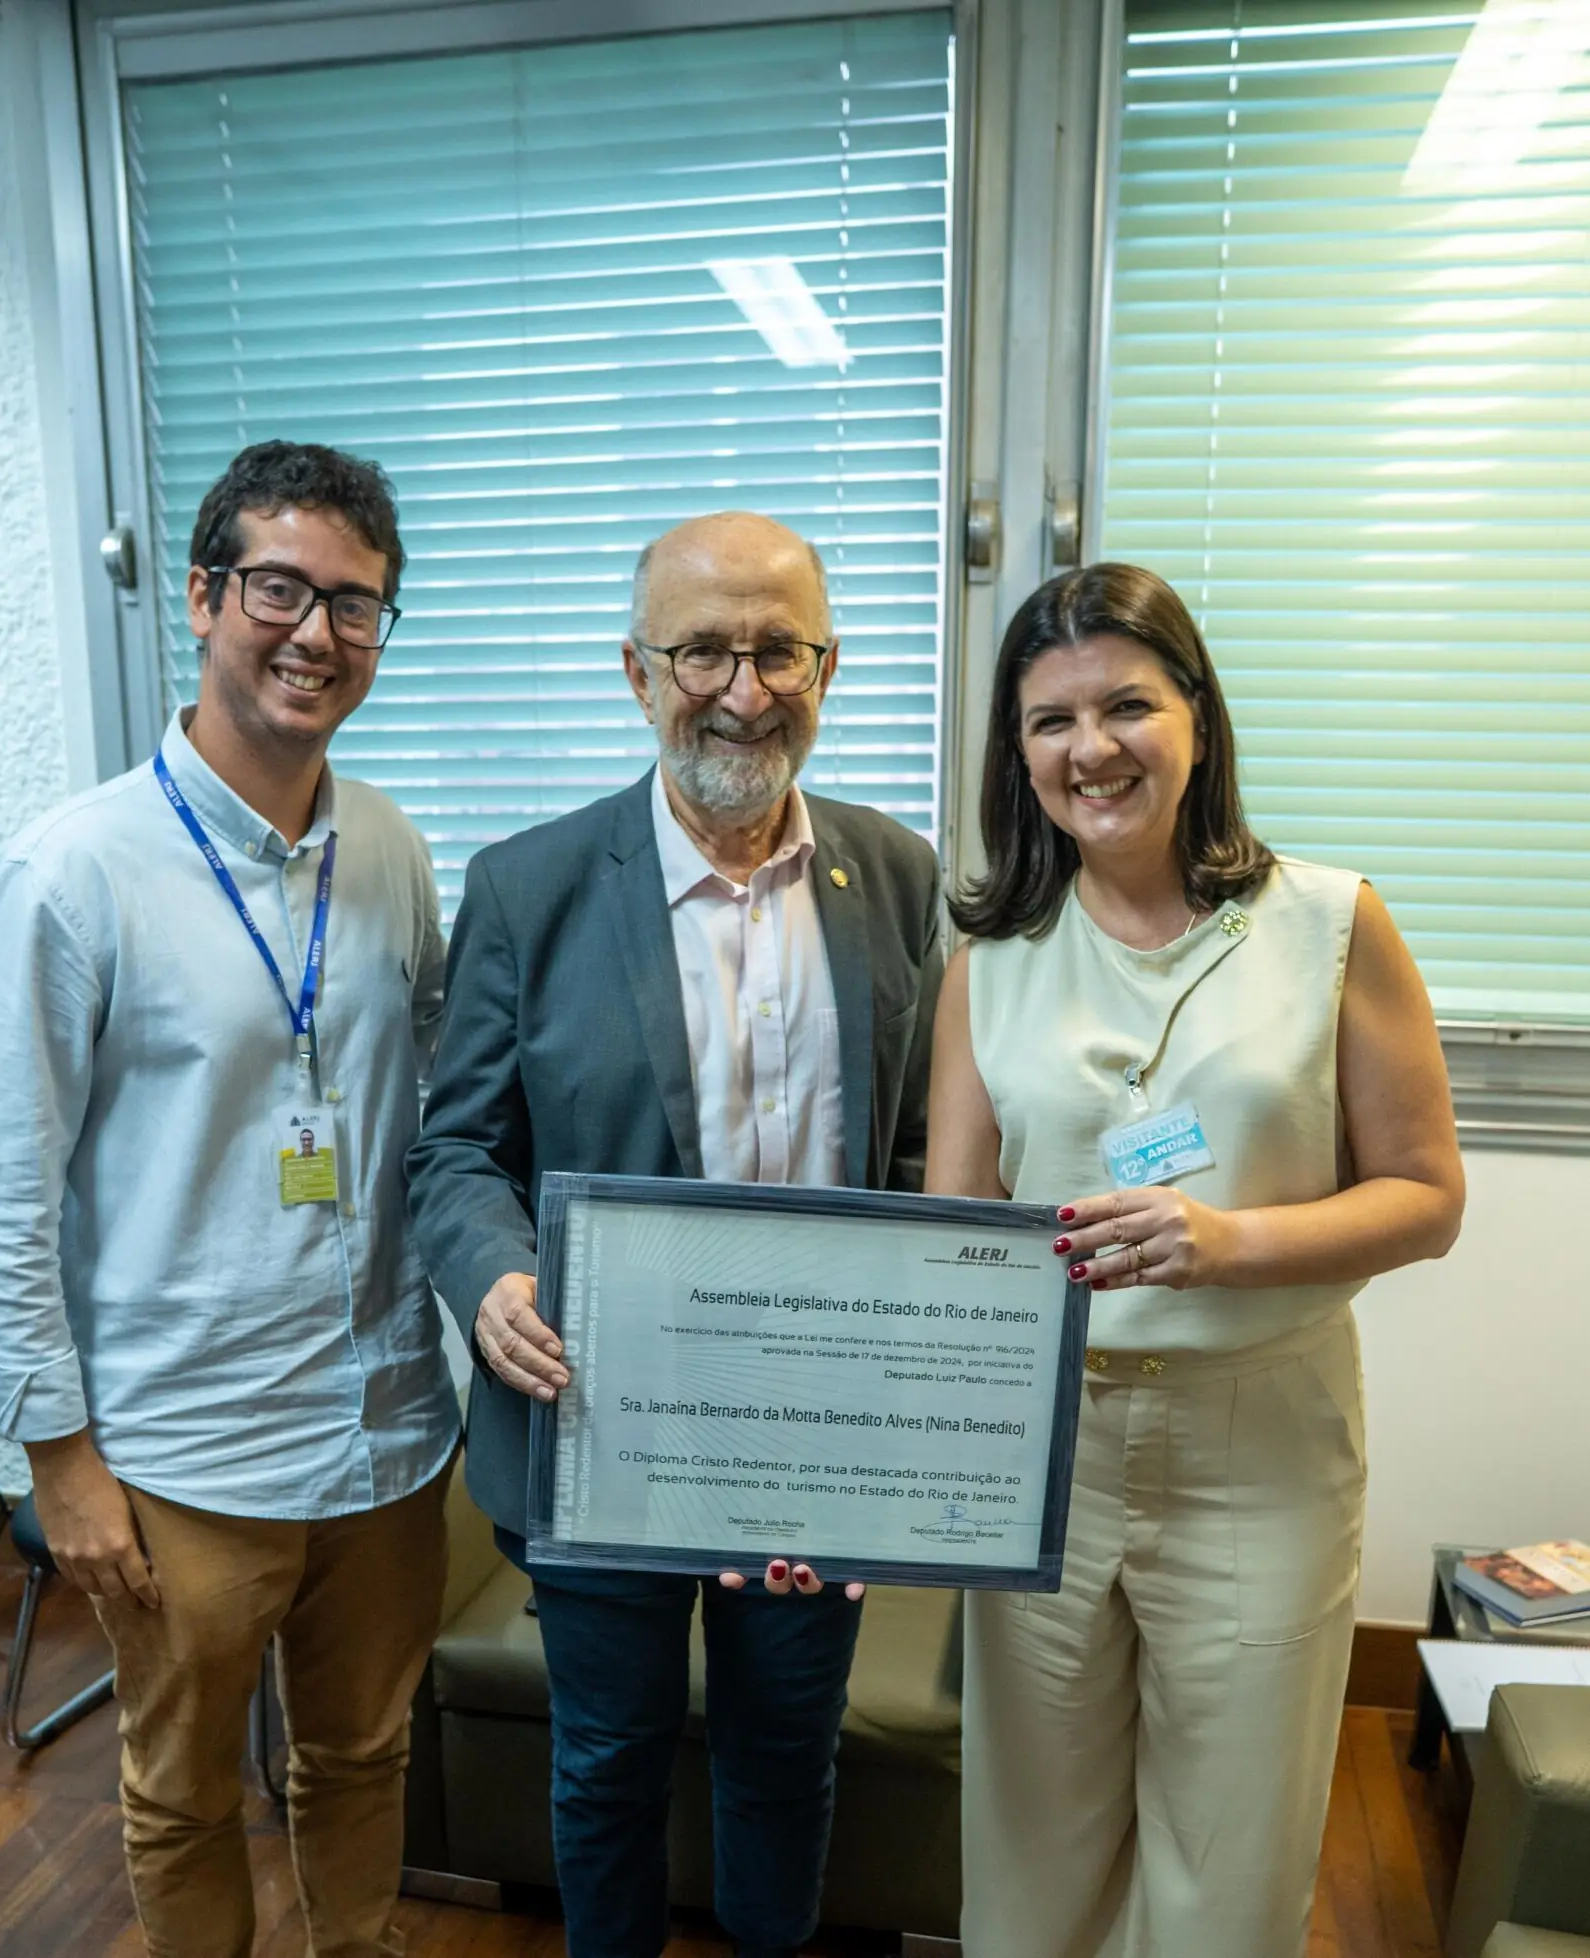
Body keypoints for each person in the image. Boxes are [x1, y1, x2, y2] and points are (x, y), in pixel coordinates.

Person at [0, 441, 460, 1958]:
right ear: (203, 594)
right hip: (184, 1452)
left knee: (364, 1759)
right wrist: (59, 1459)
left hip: (385, 1434)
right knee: (181, 1794)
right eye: (279, 589)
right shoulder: (74, 871)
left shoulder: (391, 850)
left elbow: (420, 1104)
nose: (315, 634)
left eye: (356, 606)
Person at [405, 510, 943, 1958]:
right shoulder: (529, 886)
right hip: (599, 1423)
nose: (743, 688)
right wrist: (491, 1273)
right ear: (635, 670)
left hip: (813, 1440)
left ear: (830, 665)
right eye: (703, 647)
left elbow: (914, 1152)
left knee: (784, 1755)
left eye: (777, 649)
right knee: (606, 1760)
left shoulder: (897, 879)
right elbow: (457, 1147)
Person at [927, 562, 1463, 1958]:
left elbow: (1424, 1196)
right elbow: (952, 1242)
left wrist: (1230, 1242)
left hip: (1262, 1442)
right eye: (1048, 720)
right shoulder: (987, 959)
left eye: (1125, 705)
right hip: (1050, 1451)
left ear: (1197, 720)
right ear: (1016, 752)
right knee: (1032, 1849)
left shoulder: (1330, 922)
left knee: (1228, 1861)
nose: (1088, 747)